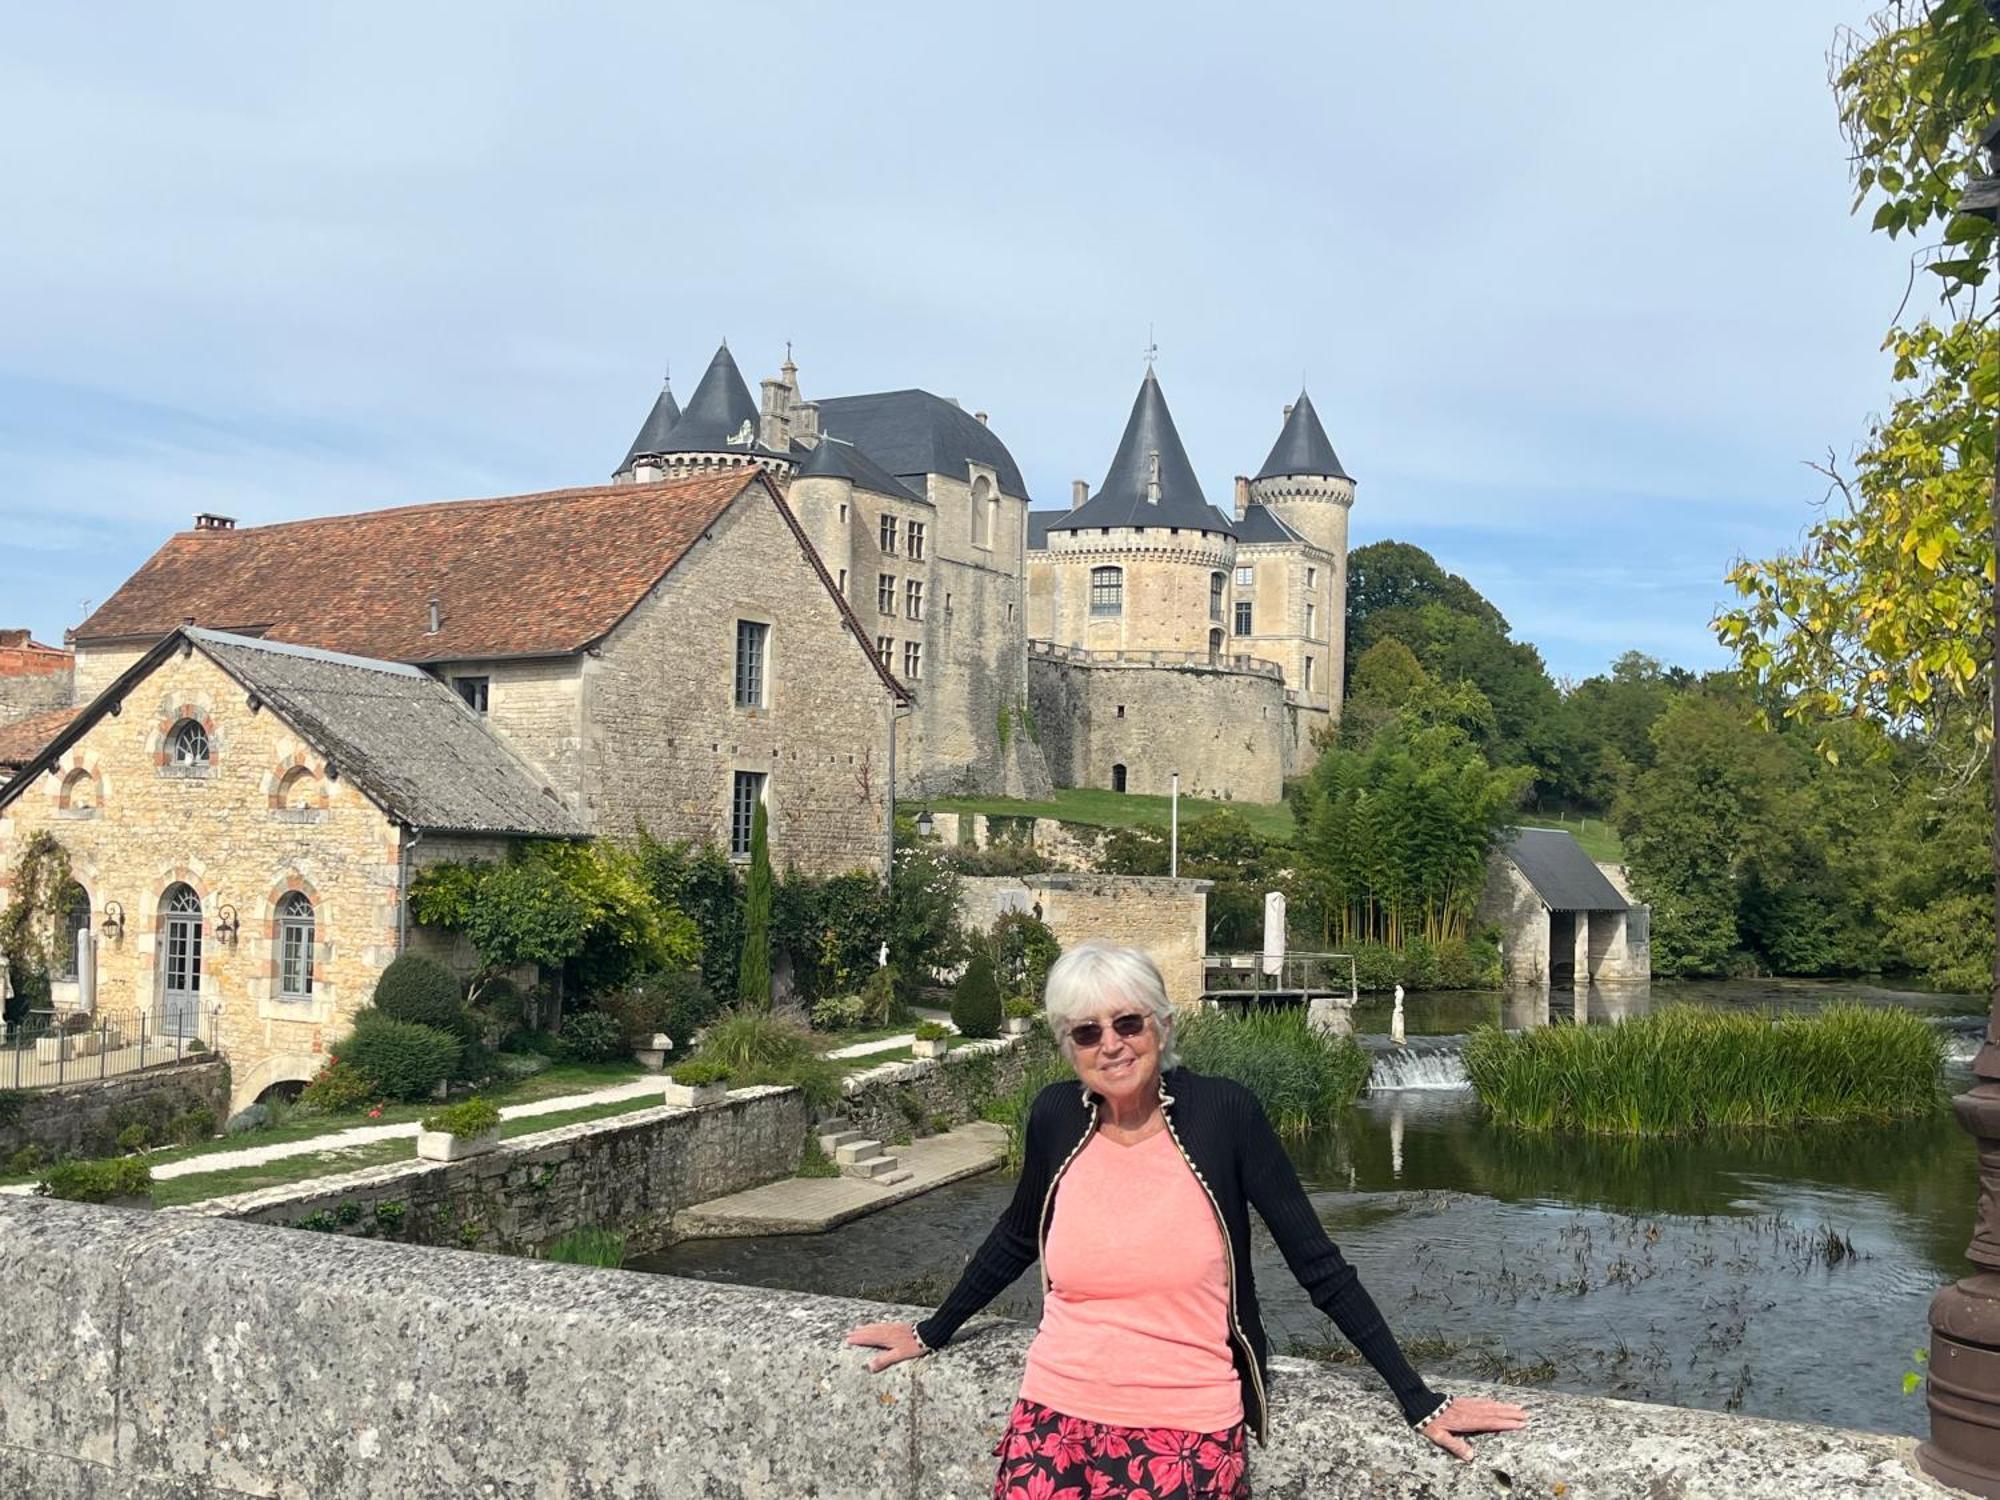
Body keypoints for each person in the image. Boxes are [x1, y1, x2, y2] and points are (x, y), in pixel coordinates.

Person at [847, 941, 1527, 1497]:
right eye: (1087, 1032)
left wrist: (1417, 1397)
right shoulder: (1056, 1117)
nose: (1110, 1045)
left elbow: (1317, 1263)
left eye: (1128, 1023)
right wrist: (933, 1331)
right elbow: (1018, 1236)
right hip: (1052, 1420)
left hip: (1187, 1434)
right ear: (1067, 1046)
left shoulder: (1224, 1113)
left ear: (1162, 1026)